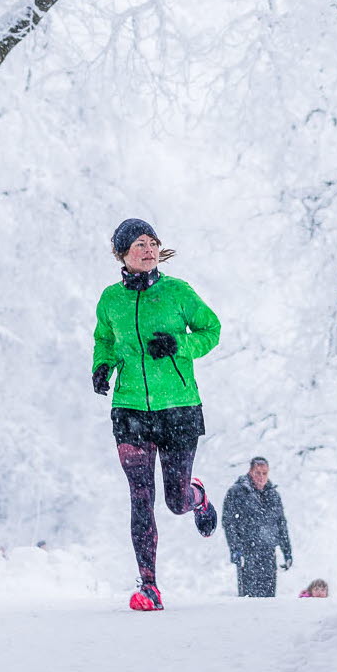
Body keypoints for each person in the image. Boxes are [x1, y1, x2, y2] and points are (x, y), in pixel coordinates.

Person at [92, 218, 221, 611]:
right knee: (140, 496)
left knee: (174, 501)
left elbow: (211, 330)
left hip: (178, 408)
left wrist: (179, 345)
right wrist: (102, 365)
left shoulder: (178, 292)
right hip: (130, 409)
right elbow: (105, 339)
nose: (148, 250)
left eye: (152, 243)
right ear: (122, 254)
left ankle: (195, 496)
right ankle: (149, 586)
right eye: (139, 245)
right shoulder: (110, 299)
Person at [222, 457, 292, 598]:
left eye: (264, 473)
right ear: (250, 472)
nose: (261, 477)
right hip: (247, 553)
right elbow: (229, 523)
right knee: (249, 598)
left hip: (268, 552)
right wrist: (235, 549)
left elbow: (281, 524)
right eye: (257, 473)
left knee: (268, 599)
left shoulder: (273, 495)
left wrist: (287, 552)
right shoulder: (236, 492)